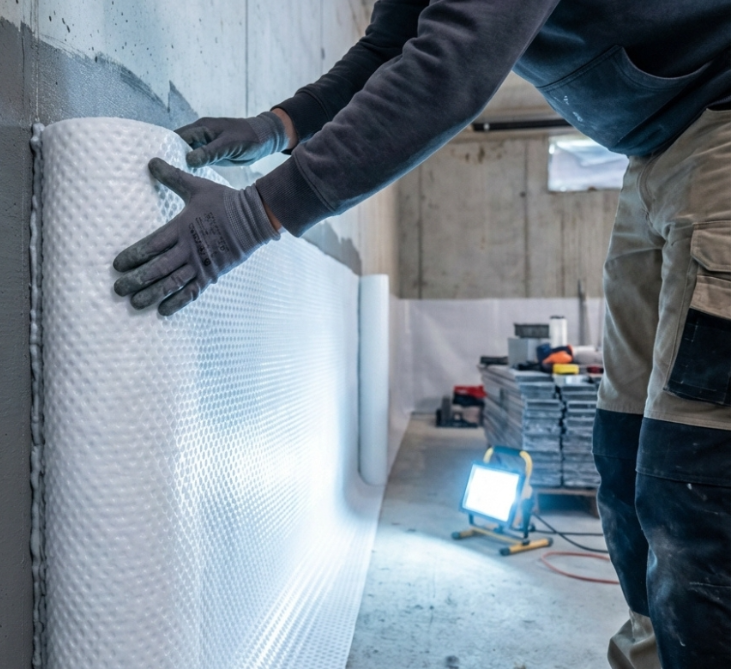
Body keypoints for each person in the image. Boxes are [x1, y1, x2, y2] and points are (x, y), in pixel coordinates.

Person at [112, 2, 730, 666]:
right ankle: (658, 651)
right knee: (621, 441)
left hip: (718, 120)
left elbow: (456, 65)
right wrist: (278, 127)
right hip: (652, 151)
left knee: (689, 472)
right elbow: (390, 47)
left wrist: (256, 214)